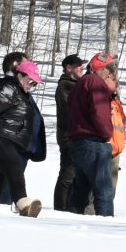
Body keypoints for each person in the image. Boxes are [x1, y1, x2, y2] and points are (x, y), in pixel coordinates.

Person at [0, 52, 46, 213]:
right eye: (30, 81)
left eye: (35, 84)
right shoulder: (8, 87)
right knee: (14, 168)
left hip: (4, 139)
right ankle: (24, 205)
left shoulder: (20, 91)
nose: (32, 85)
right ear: (20, 74)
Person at [60, 52, 124, 217]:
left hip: (78, 143)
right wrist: (106, 135)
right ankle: (106, 227)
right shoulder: (95, 82)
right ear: (102, 70)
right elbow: (99, 113)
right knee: (104, 192)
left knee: (80, 191)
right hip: (93, 143)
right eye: (109, 72)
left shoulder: (80, 84)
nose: (110, 76)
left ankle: (72, 221)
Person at [50, 54, 89, 213]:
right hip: (69, 137)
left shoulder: (76, 84)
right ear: (69, 68)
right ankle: (60, 209)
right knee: (67, 175)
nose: (82, 68)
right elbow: (70, 112)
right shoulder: (65, 86)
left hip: (76, 137)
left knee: (74, 176)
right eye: (79, 65)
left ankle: (70, 208)